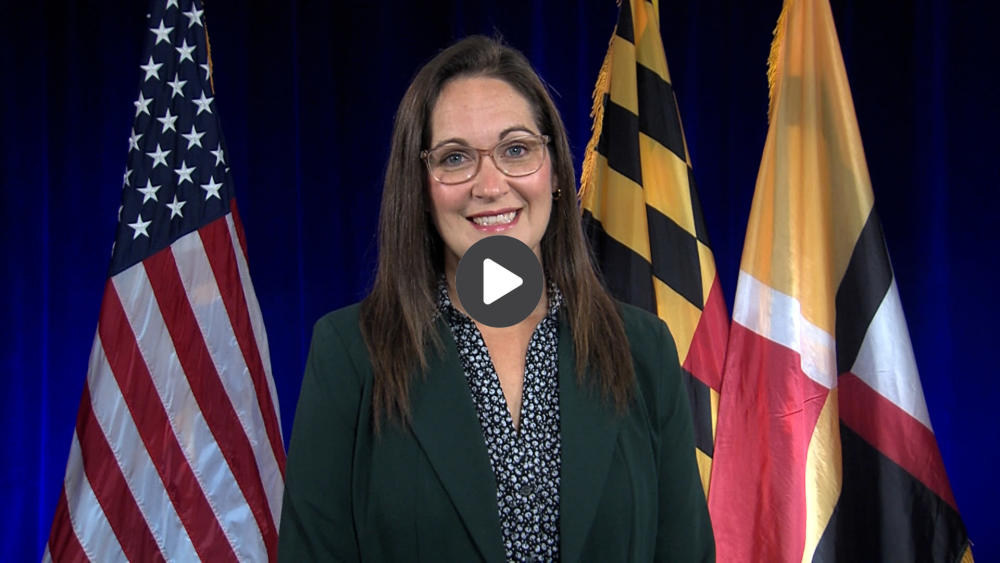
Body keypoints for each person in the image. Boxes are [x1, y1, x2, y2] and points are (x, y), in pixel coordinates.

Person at [278, 35, 714, 562]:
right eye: (456, 157)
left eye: (515, 150)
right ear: (421, 184)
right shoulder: (350, 353)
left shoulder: (643, 350)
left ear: (553, 169)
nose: (489, 185)